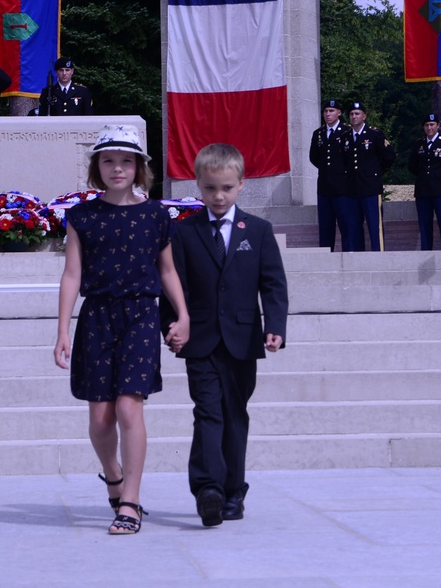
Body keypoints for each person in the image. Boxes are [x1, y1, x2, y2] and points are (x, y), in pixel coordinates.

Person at [54, 124, 189, 535]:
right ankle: (112, 475)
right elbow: (72, 274)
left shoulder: (155, 215)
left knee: (130, 407)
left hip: (141, 317)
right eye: (109, 161)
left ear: (138, 168)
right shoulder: (82, 217)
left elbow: (167, 270)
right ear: (98, 166)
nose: (117, 168)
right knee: (100, 419)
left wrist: (182, 315)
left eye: (126, 161)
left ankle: (129, 501)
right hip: (97, 317)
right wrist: (62, 330)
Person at [161, 143, 289, 527]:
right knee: (207, 412)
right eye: (211, 188)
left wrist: (275, 328)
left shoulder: (260, 231)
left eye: (227, 188)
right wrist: (171, 326)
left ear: (241, 186)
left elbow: (273, 285)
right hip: (199, 340)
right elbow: (172, 286)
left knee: (235, 415)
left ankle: (234, 492)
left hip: (242, 340)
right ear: (198, 186)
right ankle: (208, 490)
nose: (219, 196)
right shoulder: (183, 233)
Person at [345, 101, 395, 251]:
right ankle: (358, 259)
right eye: (352, 114)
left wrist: (378, 172)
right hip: (352, 188)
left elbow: (389, 155)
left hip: (371, 188)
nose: (354, 117)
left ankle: (378, 257)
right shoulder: (345, 137)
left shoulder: (374, 134)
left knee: (374, 225)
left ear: (364, 116)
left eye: (357, 114)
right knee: (354, 227)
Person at [409, 113, 441, 250]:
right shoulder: (419, 144)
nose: (429, 127)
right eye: (426, 125)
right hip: (423, 190)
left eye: (432, 124)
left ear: (438, 126)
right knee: (425, 226)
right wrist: (423, 177)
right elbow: (412, 166)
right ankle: (426, 251)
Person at [309, 99, 356, 251]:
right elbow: (314, 157)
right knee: (325, 227)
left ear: (339, 113)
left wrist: (340, 172)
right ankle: (326, 259)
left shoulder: (347, 132)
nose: (328, 114)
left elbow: (351, 158)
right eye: (326, 111)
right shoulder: (319, 134)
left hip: (343, 187)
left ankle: (349, 257)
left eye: (331, 111)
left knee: (346, 225)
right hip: (324, 187)